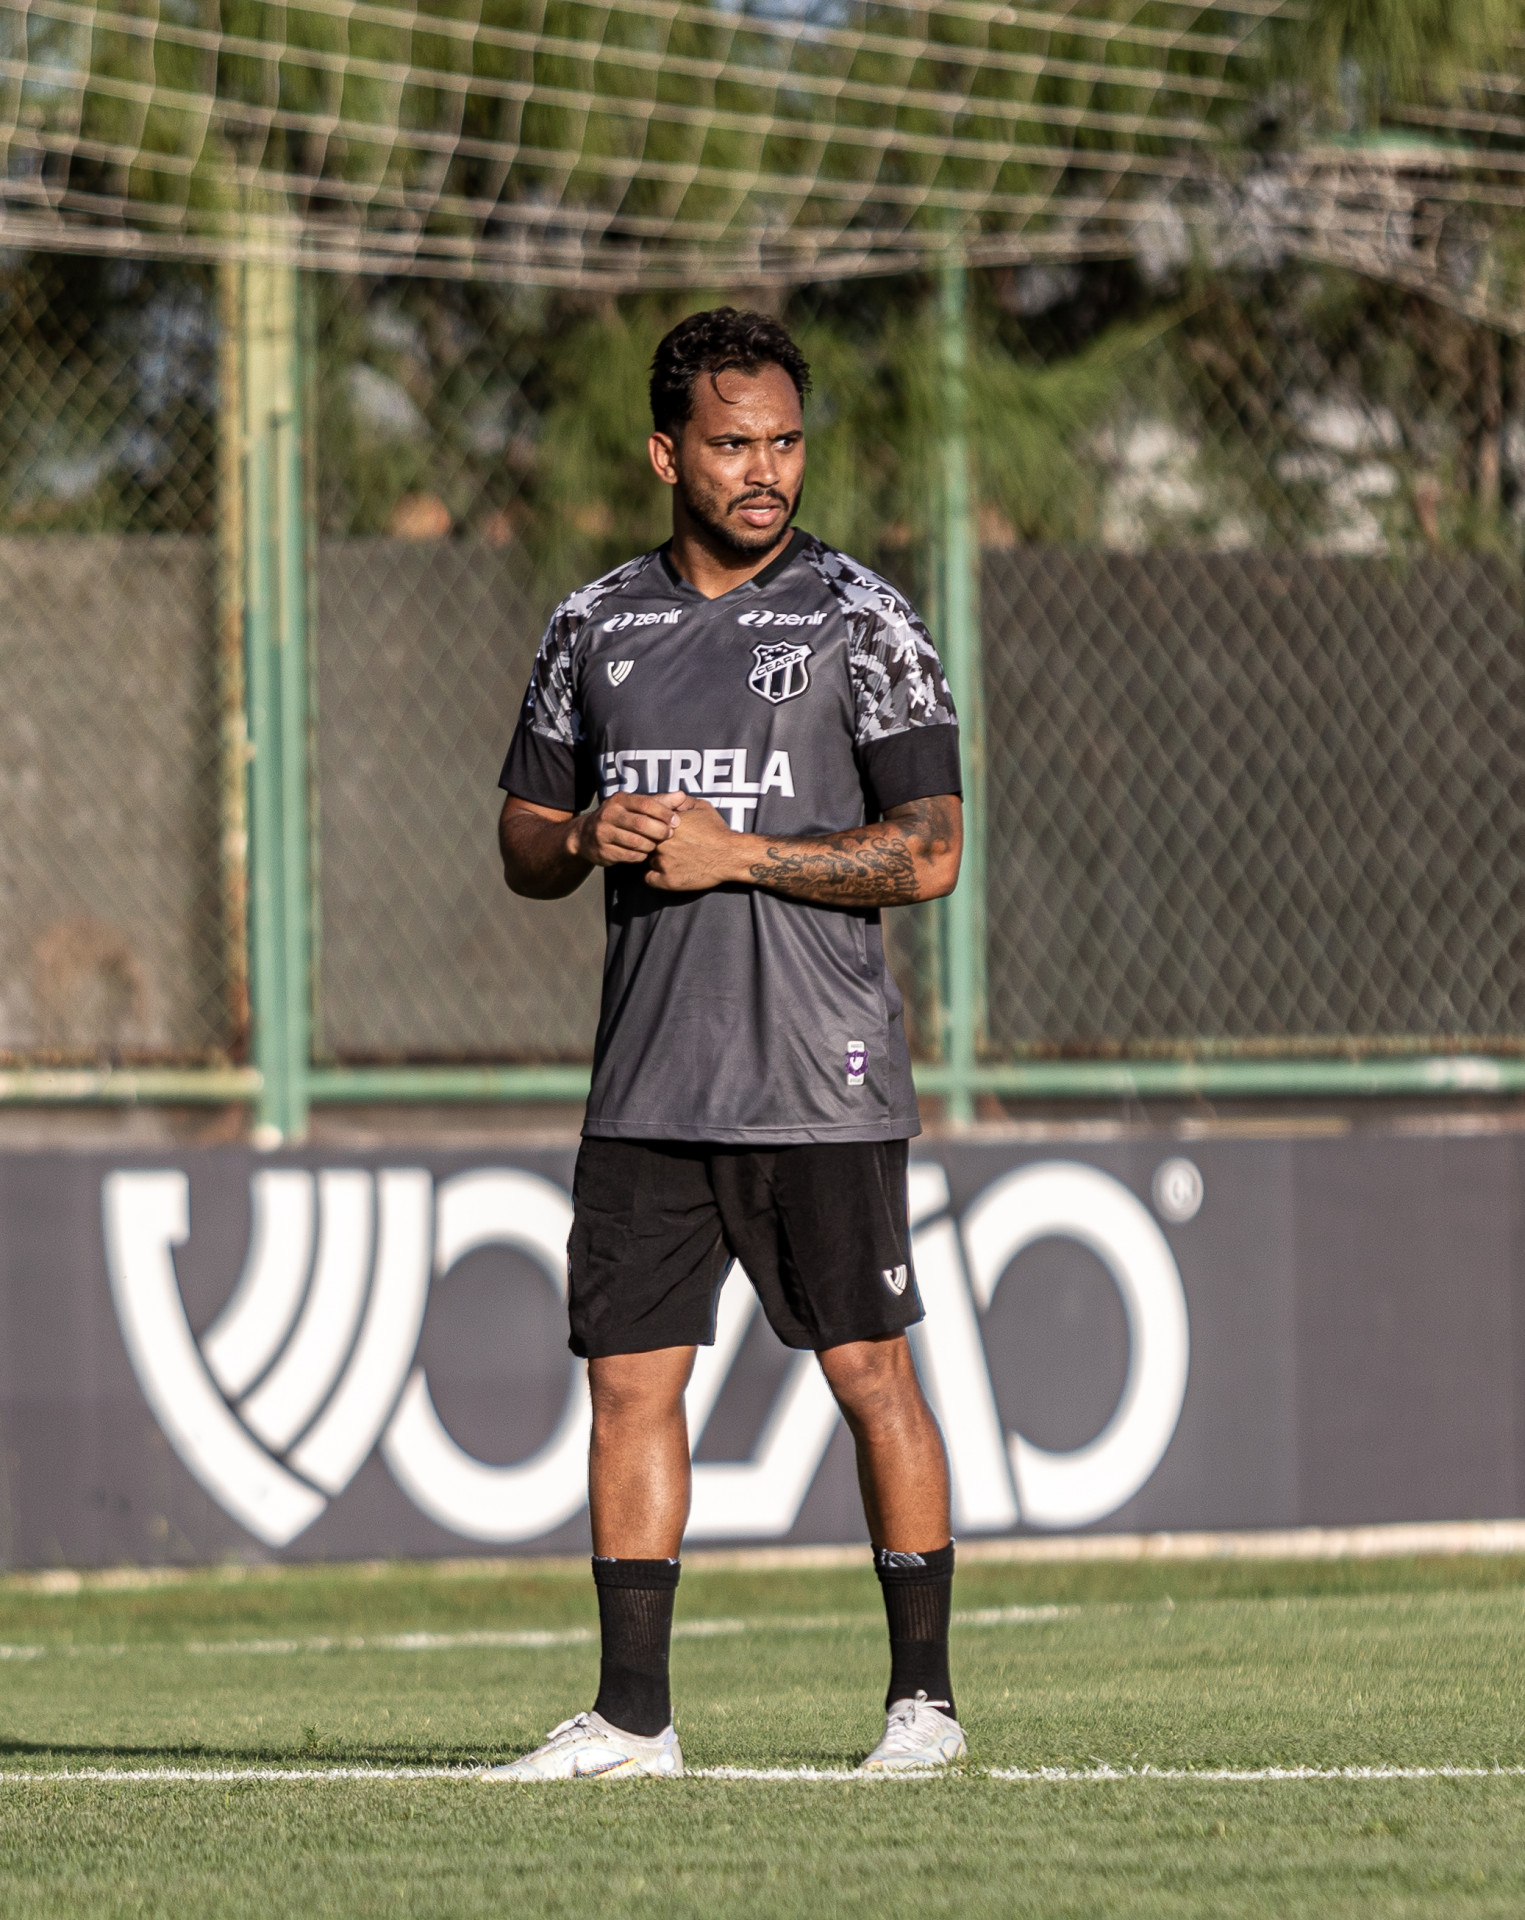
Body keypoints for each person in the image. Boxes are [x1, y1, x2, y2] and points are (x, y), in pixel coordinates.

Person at [486, 306, 966, 1780]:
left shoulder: (859, 619)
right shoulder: (593, 624)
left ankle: (922, 1708)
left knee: (867, 1370)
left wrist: (739, 855)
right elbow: (518, 842)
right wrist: (587, 831)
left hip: (816, 1076)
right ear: (664, 452)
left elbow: (931, 852)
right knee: (629, 1381)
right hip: (646, 1080)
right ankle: (633, 1718)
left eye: (784, 442)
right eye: (732, 443)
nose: (765, 470)